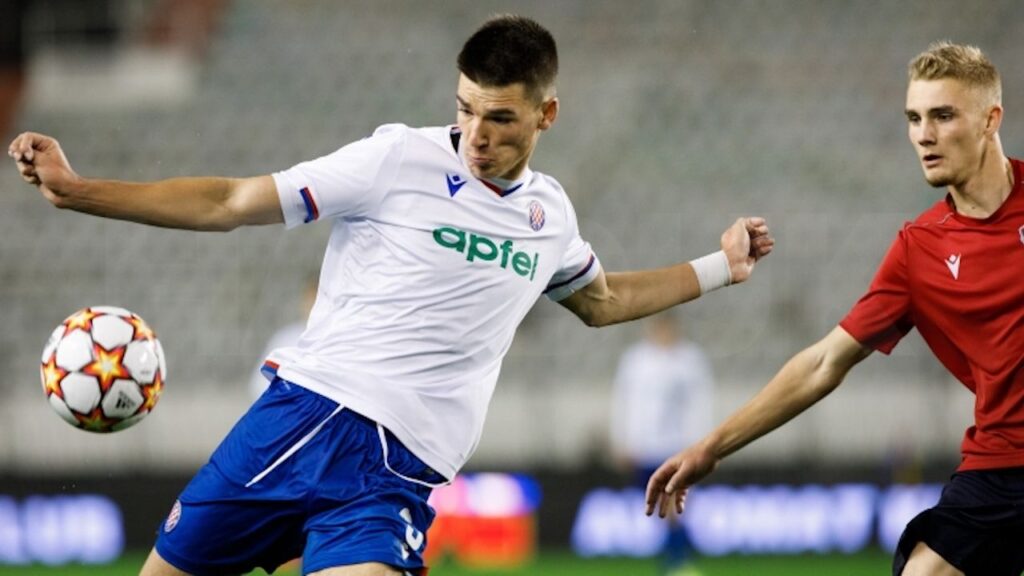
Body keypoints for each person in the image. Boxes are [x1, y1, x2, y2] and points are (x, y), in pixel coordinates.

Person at [10, 15, 773, 576]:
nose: (476, 134)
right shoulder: (395, 159)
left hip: (394, 472)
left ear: (546, 115)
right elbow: (231, 201)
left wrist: (720, 267)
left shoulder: (551, 217)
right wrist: (80, 191)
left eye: (499, 117)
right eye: (465, 108)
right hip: (301, 420)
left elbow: (600, 301)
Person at [645, 41, 1024, 576]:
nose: (924, 135)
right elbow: (824, 363)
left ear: (990, 119)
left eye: (943, 116)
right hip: (1002, 468)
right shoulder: (919, 251)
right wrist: (712, 447)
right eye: (914, 118)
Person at [610, 312, 713, 576]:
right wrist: (623, 440)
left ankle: (677, 562)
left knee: (672, 505)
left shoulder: (690, 360)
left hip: (677, 447)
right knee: (659, 508)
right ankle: (680, 554)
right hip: (644, 447)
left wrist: (702, 443)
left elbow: (700, 404)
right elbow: (624, 403)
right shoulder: (635, 360)